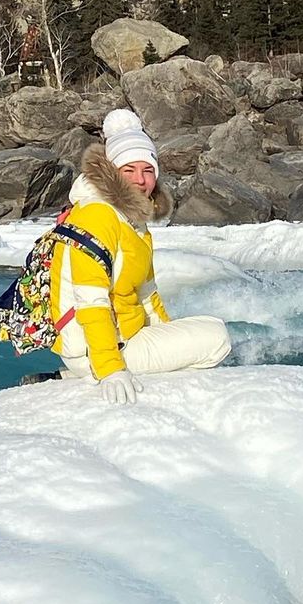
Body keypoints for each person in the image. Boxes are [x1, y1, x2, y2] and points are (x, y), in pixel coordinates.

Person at [49, 108, 231, 404]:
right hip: (93, 348)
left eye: (148, 170)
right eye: (129, 170)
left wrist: (167, 334)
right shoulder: (97, 215)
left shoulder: (134, 222)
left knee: (196, 332)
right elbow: (90, 300)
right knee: (217, 338)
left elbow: (147, 295)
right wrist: (109, 369)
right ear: (112, 172)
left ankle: (72, 377)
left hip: (125, 336)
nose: (140, 180)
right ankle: (88, 371)